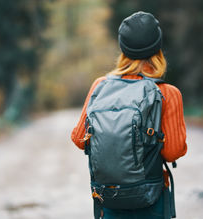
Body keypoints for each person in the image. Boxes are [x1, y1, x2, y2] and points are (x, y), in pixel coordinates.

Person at [71, 11, 187, 218]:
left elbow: (80, 139)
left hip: (109, 198)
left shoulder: (100, 86)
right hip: (151, 198)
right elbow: (173, 152)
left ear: (122, 48)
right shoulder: (168, 93)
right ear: (157, 49)